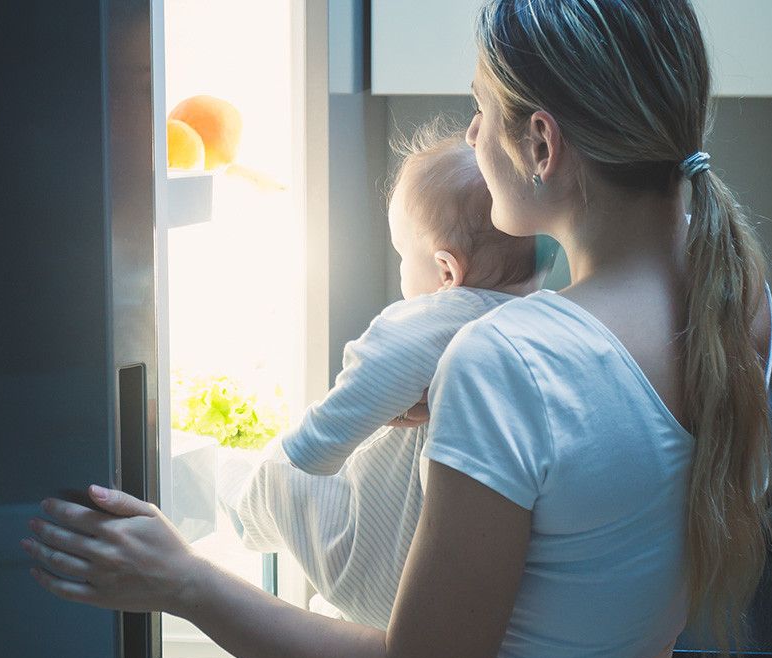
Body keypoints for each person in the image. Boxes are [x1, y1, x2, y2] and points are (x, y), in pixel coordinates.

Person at [22, 1, 772, 658]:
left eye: (479, 110)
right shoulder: (737, 292)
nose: (473, 132)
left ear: (542, 147)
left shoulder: (507, 363)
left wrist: (181, 579)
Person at [220, 121, 541, 629]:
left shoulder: (443, 314)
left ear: (445, 272)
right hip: (455, 580)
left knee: (282, 477)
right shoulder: (540, 310)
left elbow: (379, 363)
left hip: (388, 566)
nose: (398, 271)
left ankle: (238, 511)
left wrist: (312, 445)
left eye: (400, 255)